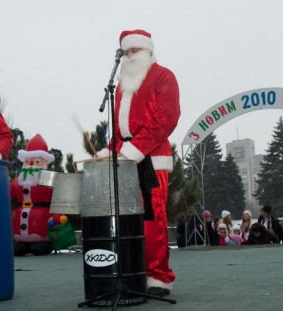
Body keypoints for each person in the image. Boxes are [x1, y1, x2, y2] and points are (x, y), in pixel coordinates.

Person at [94, 29, 180, 297]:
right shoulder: (121, 86)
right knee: (127, 221)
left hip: (151, 159)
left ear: (148, 51)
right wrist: (110, 150)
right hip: (126, 158)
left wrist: (135, 149)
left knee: (152, 220)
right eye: (126, 52)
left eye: (135, 51)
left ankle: (158, 276)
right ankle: (133, 272)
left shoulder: (163, 76)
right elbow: (121, 129)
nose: (130, 56)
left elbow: (166, 119)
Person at [11, 134, 68, 256]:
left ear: (44, 163)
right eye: (28, 161)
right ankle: (23, 244)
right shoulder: (17, 182)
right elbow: (8, 196)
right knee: (17, 250)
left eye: (36, 161)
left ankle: (46, 243)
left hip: (42, 215)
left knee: (39, 248)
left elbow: (58, 196)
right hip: (20, 218)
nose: (31, 164)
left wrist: (58, 213)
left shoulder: (49, 180)